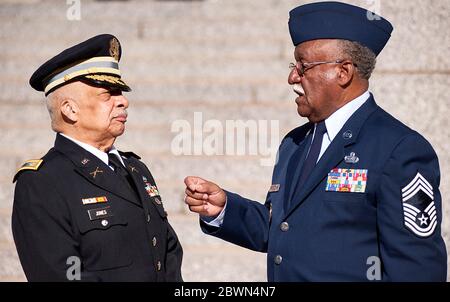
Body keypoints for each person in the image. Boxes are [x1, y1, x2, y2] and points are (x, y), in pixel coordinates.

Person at [184, 2, 447, 281]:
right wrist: (224, 209)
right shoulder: (295, 143)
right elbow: (283, 227)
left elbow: (418, 269)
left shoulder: (399, 149)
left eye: (303, 66)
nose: (292, 77)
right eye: (293, 65)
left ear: (343, 72)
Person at [12, 34, 183, 281]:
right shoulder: (42, 182)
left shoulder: (135, 168)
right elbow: (59, 274)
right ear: (70, 110)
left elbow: (168, 255)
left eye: (121, 93)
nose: (123, 101)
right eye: (108, 94)